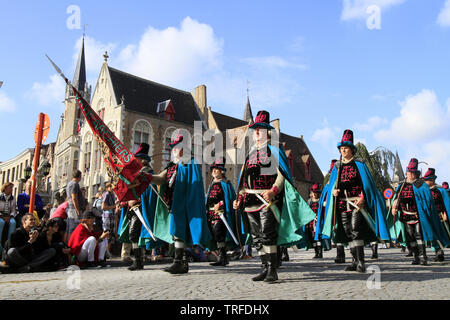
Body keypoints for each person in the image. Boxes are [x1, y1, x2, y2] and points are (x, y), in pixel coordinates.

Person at [233, 110, 316, 282]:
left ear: (267, 132)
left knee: (268, 234)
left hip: (268, 201)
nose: (257, 132)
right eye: (255, 129)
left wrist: (273, 191)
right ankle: (264, 267)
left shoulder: (274, 151)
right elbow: (245, 181)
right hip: (250, 201)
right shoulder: (249, 154)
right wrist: (240, 197)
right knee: (256, 237)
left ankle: (272, 270)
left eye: (261, 129)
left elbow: (282, 176)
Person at [320, 130, 390, 273]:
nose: (343, 150)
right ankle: (353, 260)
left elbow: (367, 185)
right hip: (342, 204)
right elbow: (332, 185)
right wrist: (333, 191)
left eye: (345, 148)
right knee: (348, 232)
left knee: (356, 230)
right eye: (341, 148)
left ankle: (361, 262)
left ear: (351, 149)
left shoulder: (359, 165)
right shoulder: (337, 167)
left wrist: (363, 198)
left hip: (356, 204)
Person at [151, 133, 212, 275]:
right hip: (174, 204)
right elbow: (161, 179)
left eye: (176, 148)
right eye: (173, 148)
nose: (174, 151)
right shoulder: (173, 166)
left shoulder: (191, 164)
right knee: (177, 233)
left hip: (184, 205)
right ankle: (181, 262)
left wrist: (188, 205)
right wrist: (147, 177)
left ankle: (180, 262)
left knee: (180, 232)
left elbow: (194, 187)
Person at [389, 159, 450, 265]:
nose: (411, 174)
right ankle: (416, 257)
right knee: (410, 236)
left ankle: (423, 257)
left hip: (418, 216)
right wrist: (394, 207)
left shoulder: (421, 185)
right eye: (409, 172)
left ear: (416, 174)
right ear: (406, 172)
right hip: (406, 216)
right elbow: (397, 198)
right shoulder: (402, 185)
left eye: (413, 172)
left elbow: (427, 201)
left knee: (419, 236)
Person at [117, 143, 156, 271]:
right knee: (133, 234)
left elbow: (147, 190)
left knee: (134, 233)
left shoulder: (147, 173)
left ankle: (139, 261)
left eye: (137, 159)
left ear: (142, 160)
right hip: (133, 208)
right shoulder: (137, 172)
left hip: (140, 207)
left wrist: (137, 198)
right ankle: (138, 260)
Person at [205, 157, 238, 267]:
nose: (214, 171)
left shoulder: (226, 183)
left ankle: (223, 257)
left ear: (222, 171)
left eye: (217, 169)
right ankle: (221, 256)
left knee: (219, 233)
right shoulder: (211, 183)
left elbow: (229, 199)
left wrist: (219, 205)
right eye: (213, 169)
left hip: (221, 214)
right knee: (214, 234)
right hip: (210, 213)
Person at [422, 168, 449, 262]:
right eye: (430, 180)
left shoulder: (439, 191)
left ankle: (440, 253)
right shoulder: (423, 191)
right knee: (431, 236)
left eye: (433, 180)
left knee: (439, 235)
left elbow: (444, 204)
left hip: (438, 216)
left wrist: (445, 214)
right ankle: (437, 252)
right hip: (427, 217)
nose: (432, 182)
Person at [66, 170, 86, 239]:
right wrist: (78, 210)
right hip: (74, 209)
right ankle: (72, 244)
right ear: (79, 177)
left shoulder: (69, 183)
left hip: (71, 208)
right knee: (74, 228)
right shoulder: (75, 184)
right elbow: (74, 198)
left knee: (69, 228)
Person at [0, 182, 17, 254]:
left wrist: (10, 216)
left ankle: (9, 243)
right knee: (1, 222)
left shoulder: (13, 198)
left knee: (13, 223)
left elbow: (13, 209)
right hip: (1, 215)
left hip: (9, 215)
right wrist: (2, 216)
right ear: (5, 188)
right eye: (10, 188)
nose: (11, 190)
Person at [306, 183, 323, 259]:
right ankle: (316, 252)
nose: (315, 194)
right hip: (311, 221)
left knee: (318, 237)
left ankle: (320, 253)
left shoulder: (321, 201)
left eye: (316, 193)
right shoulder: (309, 201)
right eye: (313, 193)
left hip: (318, 221)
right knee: (312, 237)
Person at [101, 182, 117, 256]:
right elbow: (103, 207)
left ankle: (107, 251)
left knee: (111, 235)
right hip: (107, 217)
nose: (112, 188)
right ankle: (105, 251)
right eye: (109, 187)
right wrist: (113, 206)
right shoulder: (106, 194)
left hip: (112, 216)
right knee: (107, 234)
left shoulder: (113, 195)